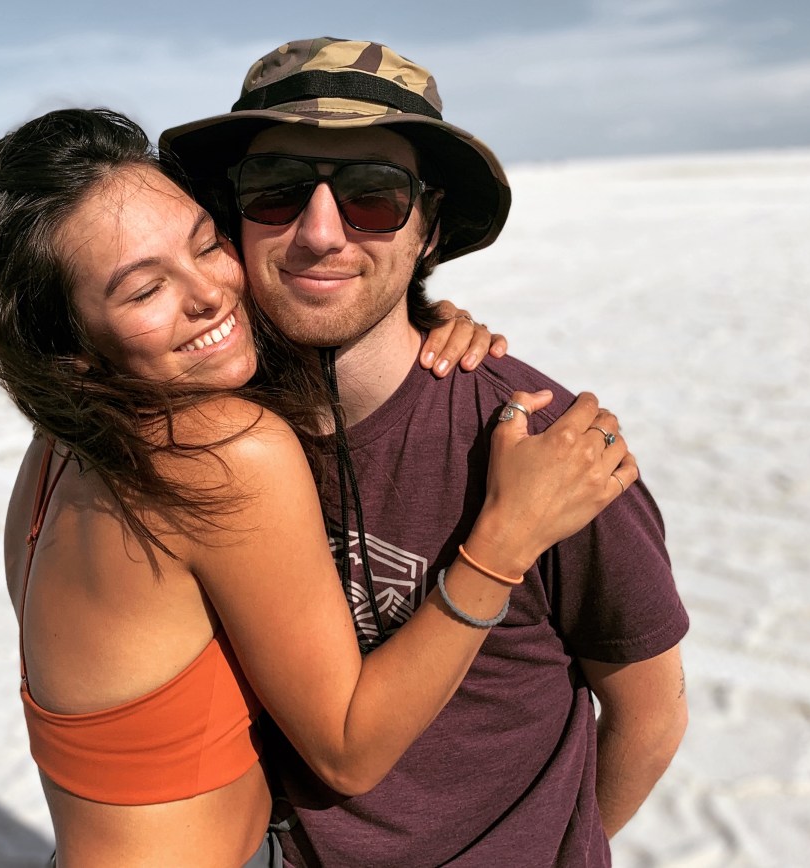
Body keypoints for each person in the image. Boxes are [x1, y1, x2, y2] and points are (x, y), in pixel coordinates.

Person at [0, 107, 636, 867]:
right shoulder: (226, 450)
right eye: (145, 288)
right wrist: (504, 540)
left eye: (203, 244)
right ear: (75, 341)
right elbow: (347, 748)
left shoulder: (60, 451)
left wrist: (413, 318)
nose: (206, 294)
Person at [160, 37, 690, 867]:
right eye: (277, 191)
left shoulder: (539, 444)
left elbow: (650, 717)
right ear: (232, 216)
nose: (321, 232)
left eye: (374, 196)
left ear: (428, 229)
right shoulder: (206, 425)